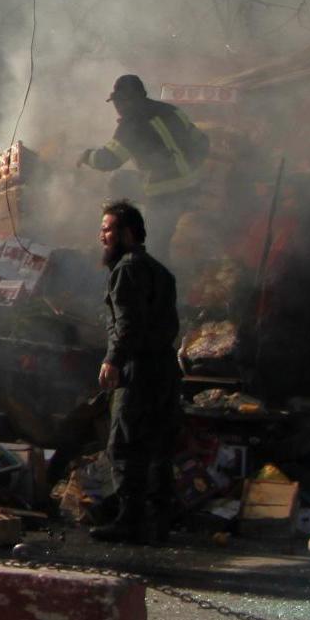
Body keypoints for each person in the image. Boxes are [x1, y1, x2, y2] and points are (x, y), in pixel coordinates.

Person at [93, 198, 182, 545]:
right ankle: (159, 522)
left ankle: (129, 521)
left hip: (139, 368)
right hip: (164, 368)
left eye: (108, 230)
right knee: (159, 444)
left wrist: (113, 359)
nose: (102, 236)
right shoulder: (161, 270)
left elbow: (128, 323)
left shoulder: (127, 269)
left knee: (126, 443)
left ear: (128, 233)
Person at [78, 74, 209, 258]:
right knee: (120, 179)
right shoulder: (171, 110)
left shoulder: (131, 125)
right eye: (115, 102)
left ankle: (160, 278)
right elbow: (202, 142)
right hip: (194, 184)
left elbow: (109, 160)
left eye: (119, 101)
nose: (117, 107)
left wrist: (86, 156)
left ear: (131, 99)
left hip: (164, 193)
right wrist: (190, 168)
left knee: (155, 246)